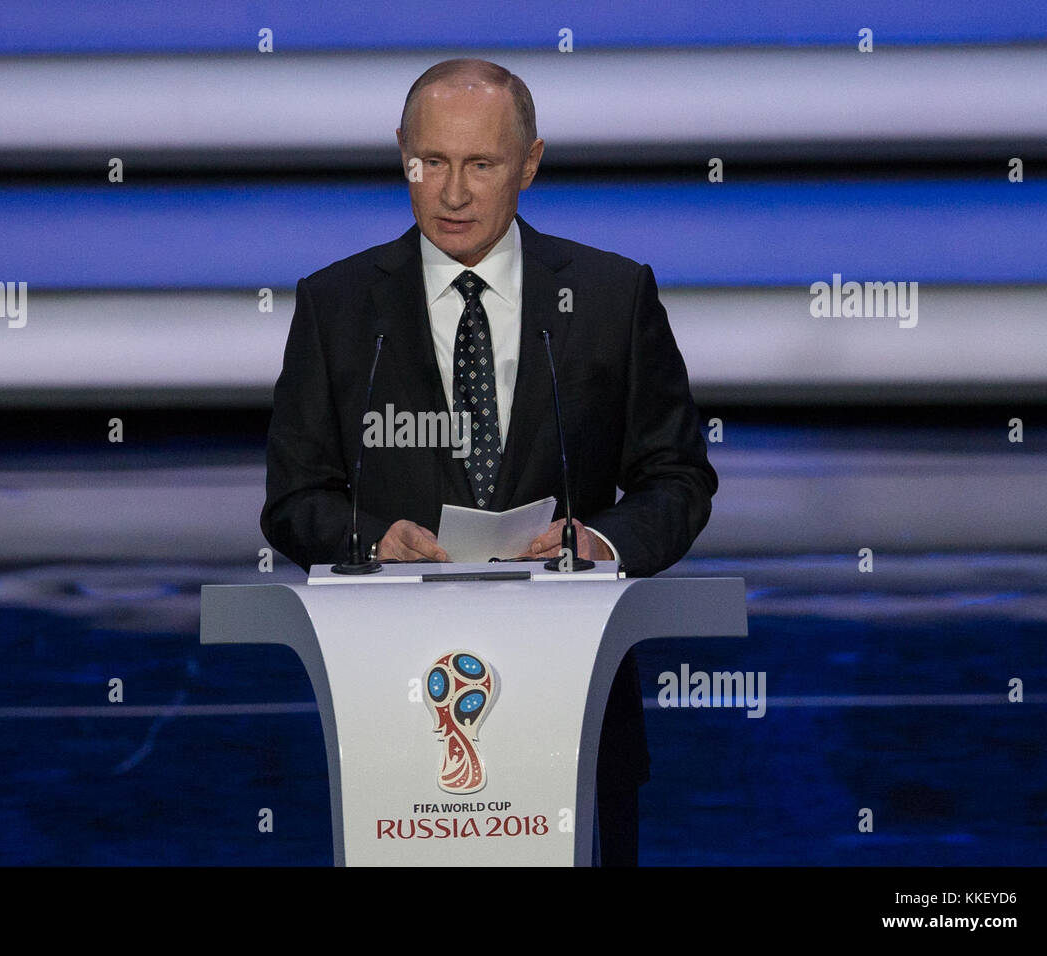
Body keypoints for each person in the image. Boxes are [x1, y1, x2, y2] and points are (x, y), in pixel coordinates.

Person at [260, 58, 717, 865]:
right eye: (430, 162)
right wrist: (369, 541)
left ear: (530, 163)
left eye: (481, 164)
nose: (453, 192)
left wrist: (601, 543)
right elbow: (295, 499)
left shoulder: (612, 297)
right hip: (394, 717)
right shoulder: (335, 306)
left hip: (574, 711)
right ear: (401, 152)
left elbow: (677, 478)